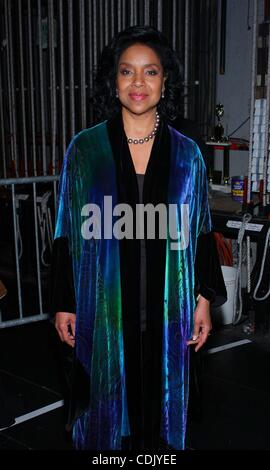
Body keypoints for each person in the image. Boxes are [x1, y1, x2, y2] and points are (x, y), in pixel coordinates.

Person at [51, 25, 226, 451]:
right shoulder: (86, 150)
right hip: (106, 304)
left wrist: (203, 300)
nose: (138, 83)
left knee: (160, 420)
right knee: (106, 413)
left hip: (170, 306)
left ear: (165, 81)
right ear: (114, 82)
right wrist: (64, 302)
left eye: (150, 72)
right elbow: (66, 231)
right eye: (127, 72)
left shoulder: (187, 154)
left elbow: (201, 229)